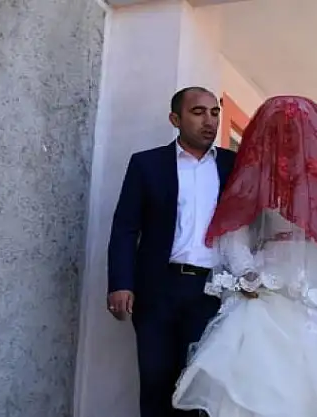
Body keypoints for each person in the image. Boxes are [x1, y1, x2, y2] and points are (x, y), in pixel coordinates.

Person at [171, 95, 317, 417]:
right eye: (281, 131)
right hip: (267, 281)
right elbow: (234, 230)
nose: (289, 139)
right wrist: (246, 271)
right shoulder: (256, 179)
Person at [107, 87, 237, 417]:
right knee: (155, 381)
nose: (209, 121)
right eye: (198, 112)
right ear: (175, 119)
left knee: (195, 388)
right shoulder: (147, 164)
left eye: (215, 113)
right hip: (158, 288)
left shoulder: (233, 166)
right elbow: (126, 227)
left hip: (211, 291)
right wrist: (121, 283)